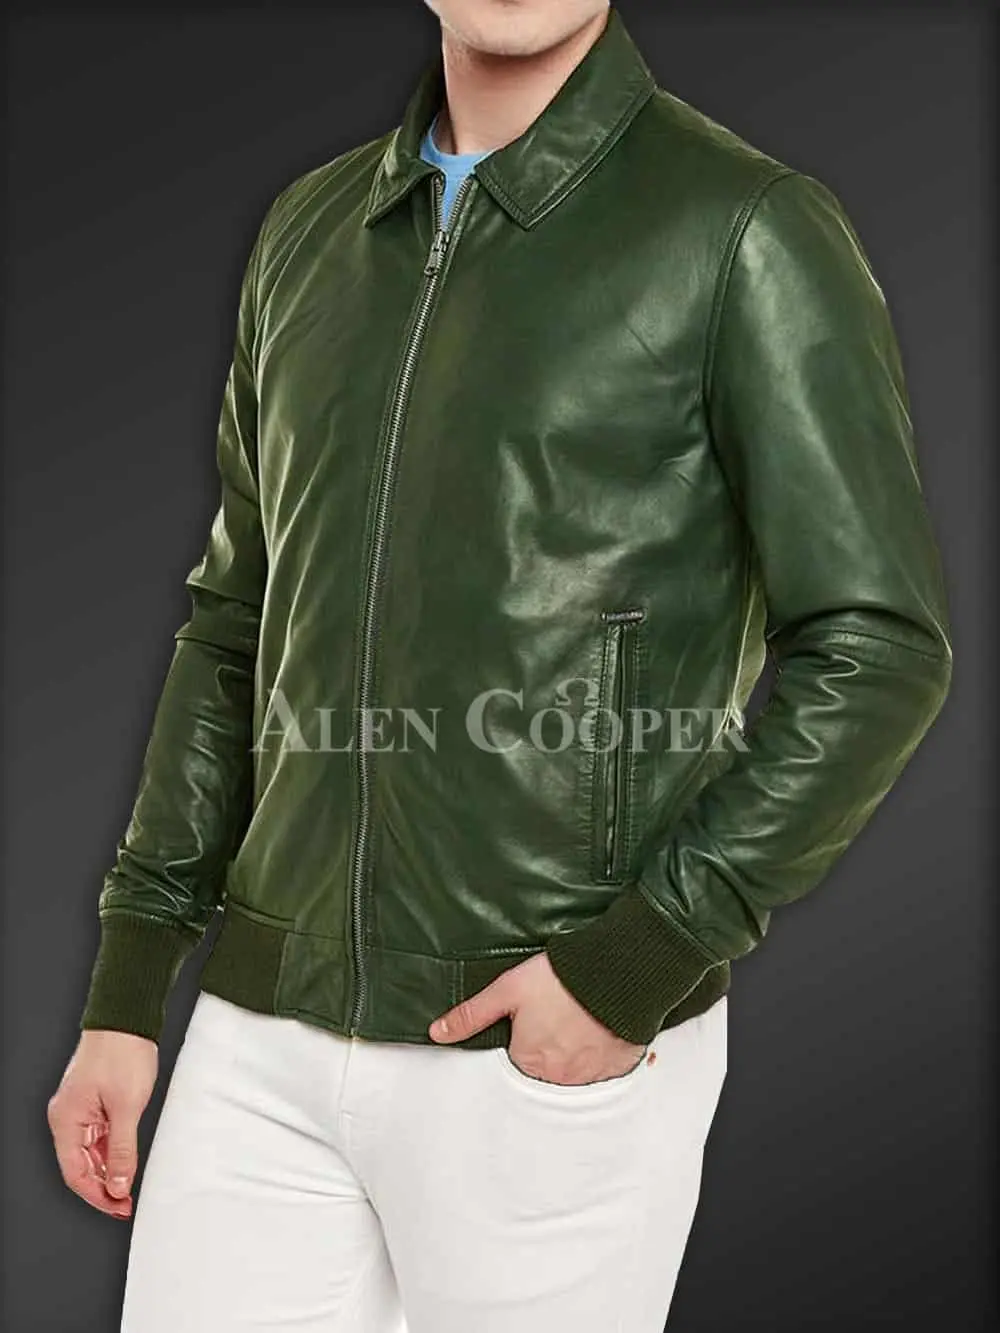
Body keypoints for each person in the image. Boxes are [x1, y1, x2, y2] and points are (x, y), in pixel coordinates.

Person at [47, 3, 954, 1330]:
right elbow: (235, 621)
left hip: (539, 1037)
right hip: (262, 1033)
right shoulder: (309, 231)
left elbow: (878, 646)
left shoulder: (745, 230)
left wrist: (637, 961)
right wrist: (131, 991)